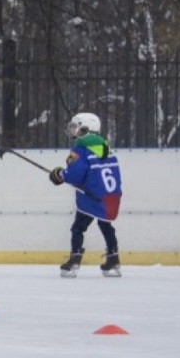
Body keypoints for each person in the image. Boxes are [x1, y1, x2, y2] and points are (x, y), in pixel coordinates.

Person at [50, 111, 123, 277]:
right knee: (105, 225)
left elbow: (75, 175)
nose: (73, 130)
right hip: (109, 198)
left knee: (78, 228)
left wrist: (59, 175)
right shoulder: (107, 149)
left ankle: (74, 261)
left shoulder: (81, 150)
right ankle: (113, 259)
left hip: (91, 198)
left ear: (85, 130)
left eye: (76, 127)